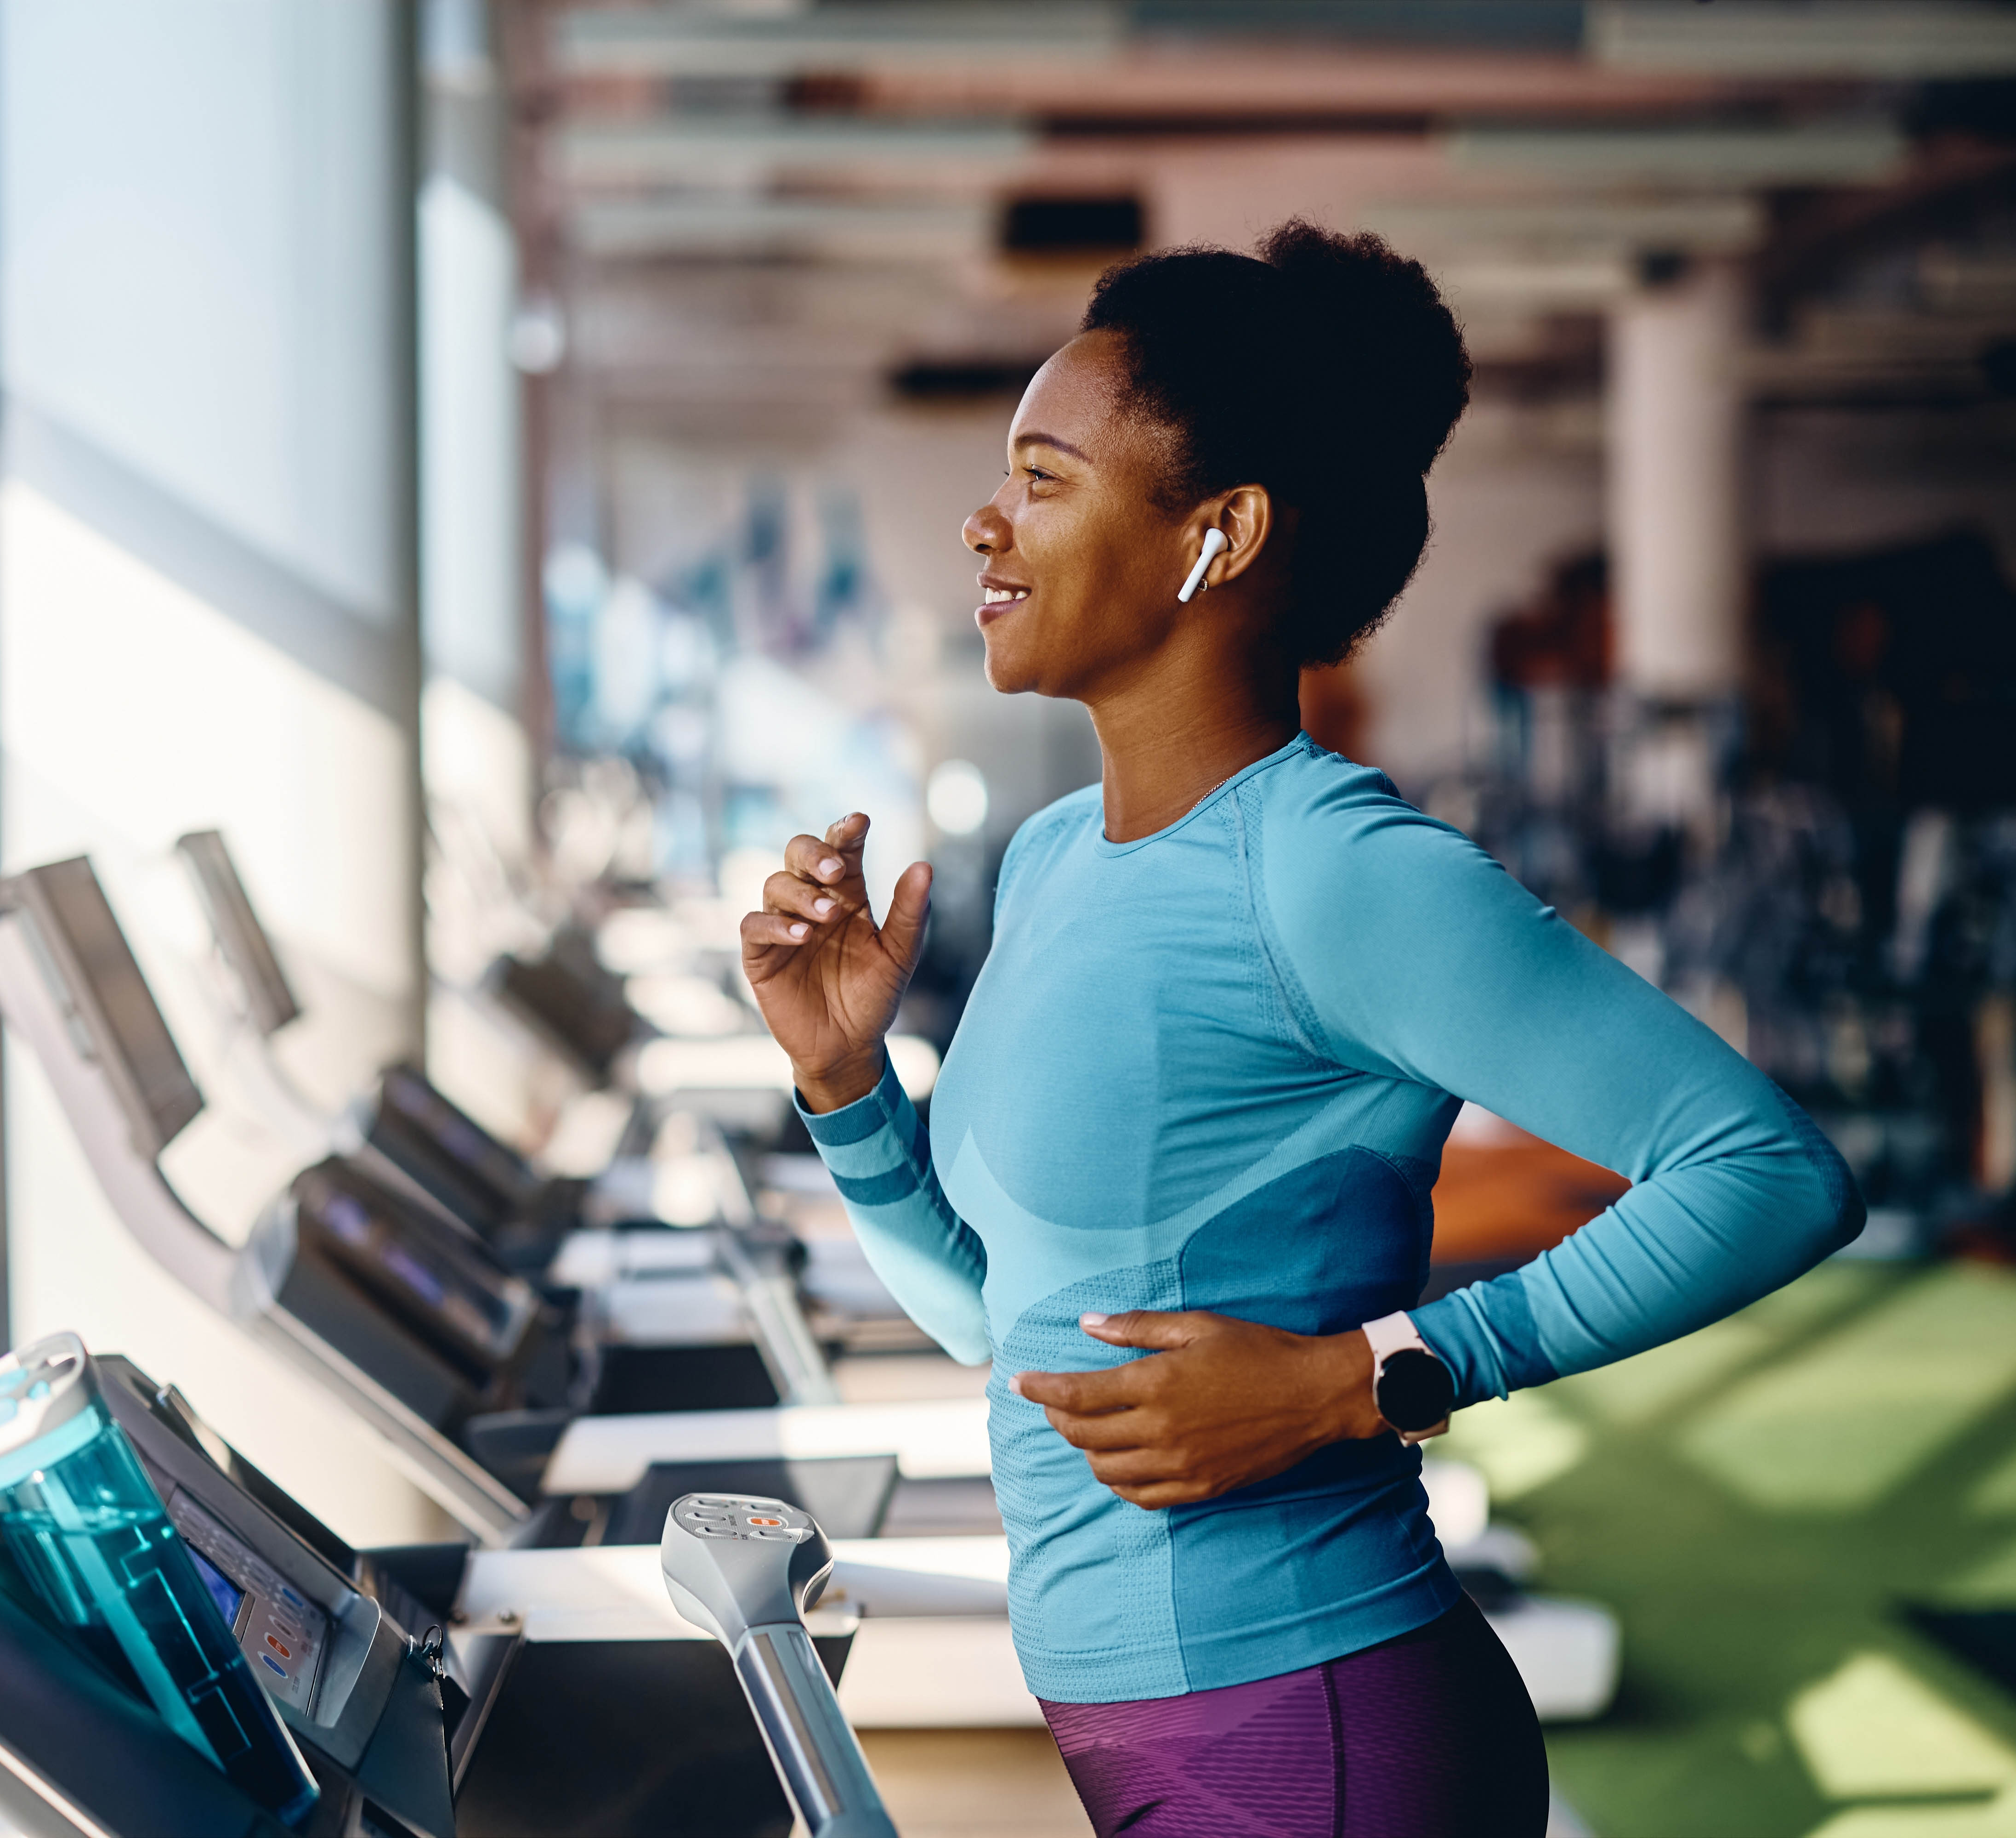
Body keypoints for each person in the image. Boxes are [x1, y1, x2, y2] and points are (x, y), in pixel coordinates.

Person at [739, 221, 1863, 1838]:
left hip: (1314, 1727)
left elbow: (1768, 1172)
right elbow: (1009, 1332)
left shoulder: (1335, 870)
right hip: (1143, 1719)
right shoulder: (1061, 858)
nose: (985, 521)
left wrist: (1378, 1377)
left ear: (1221, 535)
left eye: (1045, 479)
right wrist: (844, 1087)